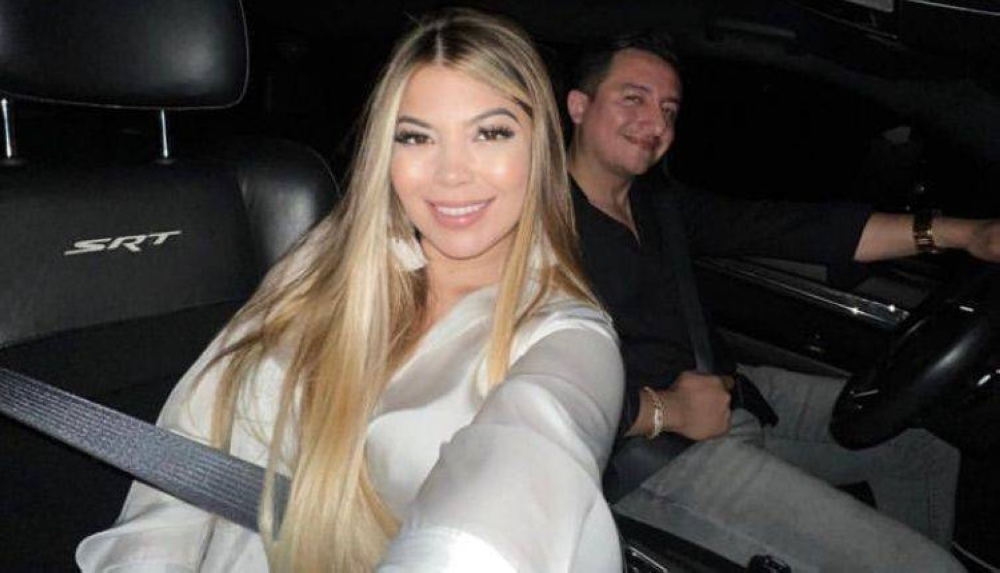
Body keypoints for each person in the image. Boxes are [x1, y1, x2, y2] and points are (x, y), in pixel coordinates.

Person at [76, 9, 625, 572]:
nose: (451, 173)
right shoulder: (325, 262)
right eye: (416, 137)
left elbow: (512, 501)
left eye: (490, 133)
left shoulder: (569, 339)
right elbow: (190, 447)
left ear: (541, 147)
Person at [566, 32, 1000, 571]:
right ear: (579, 106)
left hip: (735, 395)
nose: (655, 123)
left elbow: (794, 228)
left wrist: (966, 234)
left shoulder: (658, 204)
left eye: (669, 110)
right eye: (633, 98)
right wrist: (668, 409)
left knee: (921, 436)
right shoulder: (540, 231)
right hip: (647, 456)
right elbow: (517, 386)